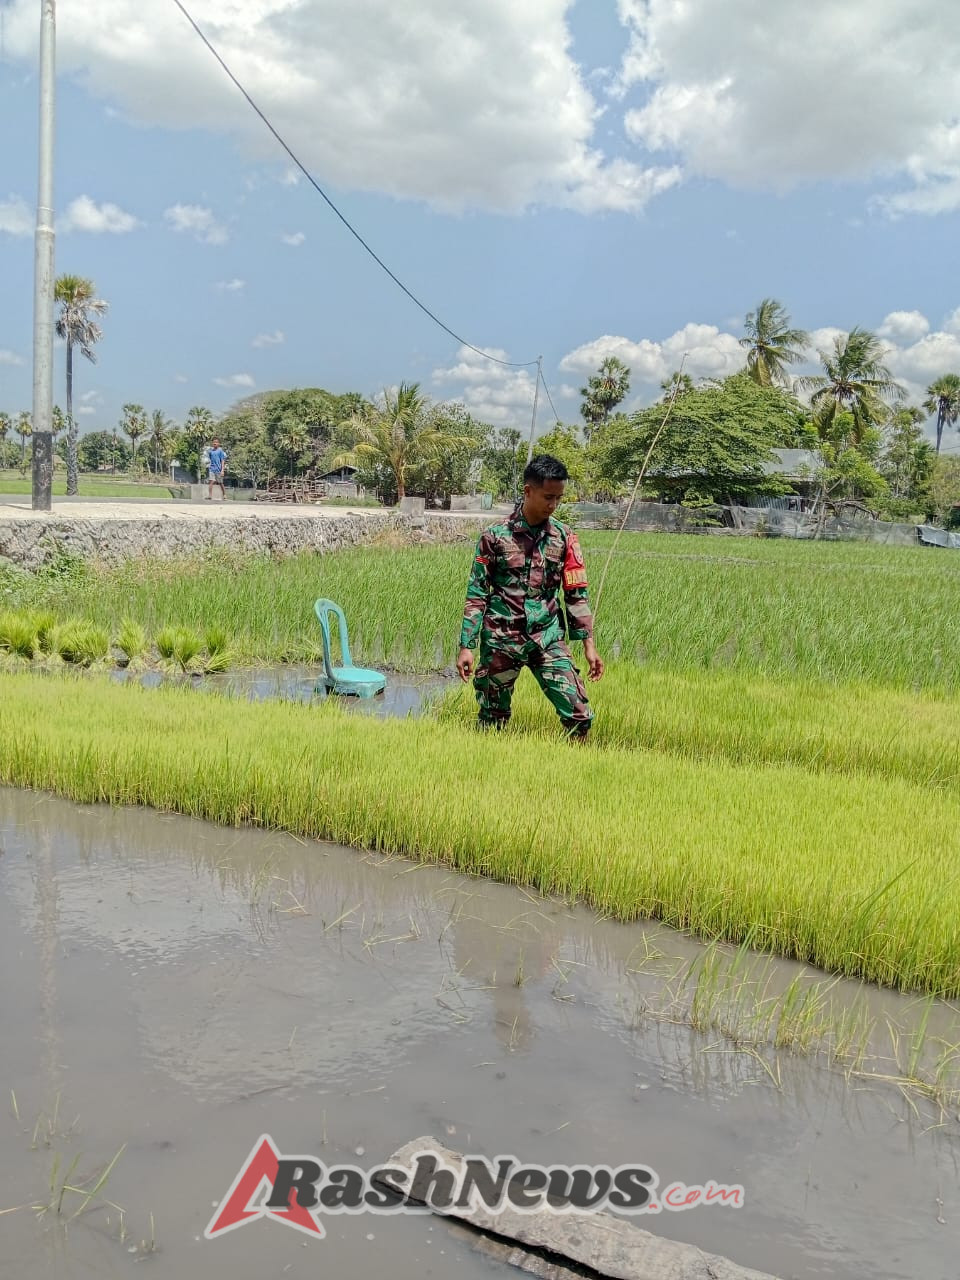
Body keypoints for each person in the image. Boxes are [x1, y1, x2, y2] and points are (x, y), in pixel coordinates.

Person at [456, 453, 604, 740]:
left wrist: (589, 644)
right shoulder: (495, 536)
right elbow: (476, 594)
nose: (553, 504)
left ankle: (575, 772)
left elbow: (575, 594)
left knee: (579, 715)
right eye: (548, 497)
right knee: (492, 721)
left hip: (546, 638)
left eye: (558, 498)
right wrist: (466, 646)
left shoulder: (564, 537)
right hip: (501, 639)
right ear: (528, 490)